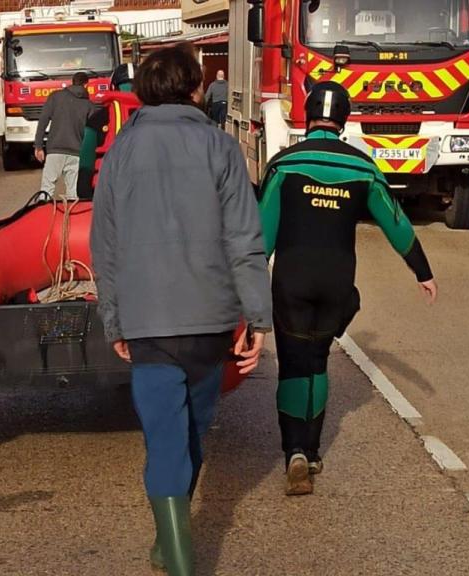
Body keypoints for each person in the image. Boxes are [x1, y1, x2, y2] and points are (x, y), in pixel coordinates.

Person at [90, 45, 271, 576]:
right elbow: (244, 238)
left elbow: (105, 244)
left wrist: (114, 318)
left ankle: (179, 556)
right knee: (192, 432)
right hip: (210, 320)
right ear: (195, 88)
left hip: (148, 320)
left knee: (166, 439)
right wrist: (257, 318)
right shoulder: (221, 147)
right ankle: (171, 546)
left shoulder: (121, 150)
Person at [258, 81, 437, 496]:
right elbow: (396, 223)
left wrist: (239, 284)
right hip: (336, 282)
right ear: (345, 119)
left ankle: (294, 451)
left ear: (305, 115)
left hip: (292, 281)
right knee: (318, 361)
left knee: (293, 363)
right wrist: (422, 271)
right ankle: (315, 450)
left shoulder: (285, 164)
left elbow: (261, 237)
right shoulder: (363, 166)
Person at [77, 63, 139, 199]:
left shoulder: (99, 118)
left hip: (105, 192)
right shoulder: (157, 114)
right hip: (146, 193)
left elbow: (86, 159)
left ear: (113, 86)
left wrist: (83, 193)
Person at [34, 72, 94, 199]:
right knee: (73, 193)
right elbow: (92, 131)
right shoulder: (89, 105)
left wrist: (38, 146)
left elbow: (43, 120)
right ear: (86, 85)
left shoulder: (55, 97)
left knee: (47, 189)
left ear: (72, 82)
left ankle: (44, 215)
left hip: (55, 150)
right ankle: (70, 218)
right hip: (77, 153)